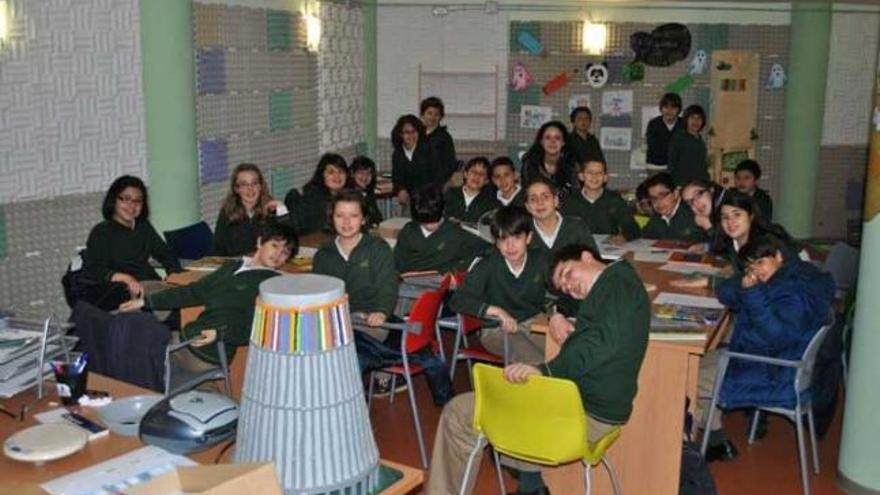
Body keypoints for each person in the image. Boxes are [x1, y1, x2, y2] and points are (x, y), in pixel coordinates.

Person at [428, 243, 650, 495]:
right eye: (565, 287)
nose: (571, 288)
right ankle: (530, 486)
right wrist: (558, 313)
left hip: (582, 415)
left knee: (459, 411)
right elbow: (579, 314)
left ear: (587, 256)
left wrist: (546, 371)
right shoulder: (616, 282)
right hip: (584, 406)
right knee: (517, 390)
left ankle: (525, 484)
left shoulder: (616, 285)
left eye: (568, 274)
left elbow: (596, 344)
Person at [698, 235, 834, 462]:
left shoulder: (791, 292)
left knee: (681, 375)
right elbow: (727, 293)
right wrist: (744, 283)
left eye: (761, 263)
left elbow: (777, 337)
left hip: (772, 372)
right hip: (767, 360)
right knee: (694, 363)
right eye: (749, 267)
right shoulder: (790, 277)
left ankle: (688, 452)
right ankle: (716, 440)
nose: (756, 272)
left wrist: (752, 294)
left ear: (778, 256)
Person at [313, 189, 452, 405]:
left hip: (372, 322)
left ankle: (350, 411)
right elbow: (320, 295)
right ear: (332, 218)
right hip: (339, 323)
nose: (347, 222)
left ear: (364, 219)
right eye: (340, 216)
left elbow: (388, 287)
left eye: (354, 215)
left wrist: (381, 311)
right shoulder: (323, 255)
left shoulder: (377, 248)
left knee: (352, 354)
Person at [119, 220, 298, 368]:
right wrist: (146, 302)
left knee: (133, 345)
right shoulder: (233, 266)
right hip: (190, 339)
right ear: (260, 242)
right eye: (274, 245)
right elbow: (194, 291)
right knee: (133, 332)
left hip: (208, 350)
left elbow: (260, 328)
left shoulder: (271, 284)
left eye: (285, 252)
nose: (278, 254)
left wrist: (220, 333)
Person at [448, 206, 550, 365]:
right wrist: (497, 311)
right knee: (536, 363)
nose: (510, 246)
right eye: (503, 239)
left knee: (563, 354)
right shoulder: (488, 265)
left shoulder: (539, 260)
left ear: (528, 238)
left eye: (516, 238)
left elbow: (559, 291)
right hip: (496, 329)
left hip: (532, 321)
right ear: (496, 242)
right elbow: (457, 300)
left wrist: (557, 315)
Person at [81, 175, 182, 311]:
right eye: (126, 199)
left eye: (138, 201)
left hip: (150, 286)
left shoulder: (143, 226)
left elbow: (165, 253)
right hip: (123, 293)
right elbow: (93, 270)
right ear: (114, 200)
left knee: (190, 300)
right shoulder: (102, 232)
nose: (132, 205)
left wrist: (175, 276)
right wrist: (125, 278)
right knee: (179, 313)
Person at [394, 185, 490, 274]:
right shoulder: (409, 230)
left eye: (434, 222)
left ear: (442, 211)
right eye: (424, 223)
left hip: (441, 285)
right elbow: (397, 262)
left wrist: (457, 270)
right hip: (409, 282)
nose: (429, 226)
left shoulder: (455, 232)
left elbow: (485, 249)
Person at [212, 163, 289, 257]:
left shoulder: (270, 210)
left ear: (260, 186)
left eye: (254, 183)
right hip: (238, 266)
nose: (250, 189)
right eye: (244, 184)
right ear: (236, 189)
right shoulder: (228, 213)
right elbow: (218, 252)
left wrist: (282, 211)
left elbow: (288, 241)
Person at [716, 191, 803, 273]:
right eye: (725, 217)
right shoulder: (727, 243)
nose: (730, 221)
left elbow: (792, 271)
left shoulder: (769, 241)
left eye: (737, 214)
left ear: (751, 216)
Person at [561, 158, 641, 242]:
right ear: (581, 176)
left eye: (599, 173)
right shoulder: (570, 201)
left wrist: (624, 237)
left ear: (605, 177)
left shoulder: (614, 200)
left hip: (608, 249)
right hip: (578, 247)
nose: (594, 176)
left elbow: (633, 227)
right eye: (590, 172)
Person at [524, 177, 599, 258]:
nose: (539, 202)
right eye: (533, 199)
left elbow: (594, 262)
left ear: (556, 201)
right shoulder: (523, 231)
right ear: (527, 206)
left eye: (545, 197)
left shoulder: (576, 227)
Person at [391, 114, 444, 206]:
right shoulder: (397, 154)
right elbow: (397, 178)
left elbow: (437, 178)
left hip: (430, 200)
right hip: (409, 201)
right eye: (407, 132)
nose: (411, 135)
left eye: (414, 131)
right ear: (400, 134)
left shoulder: (429, 150)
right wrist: (400, 190)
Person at [640, 172, 708, 243]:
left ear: (676, 193)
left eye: (662, 196)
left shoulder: (693, 212)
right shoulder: (657, 217)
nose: (658, 202)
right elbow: (643, 239)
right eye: (653, 198)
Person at [293, 153, 350, 235]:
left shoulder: (350, 195)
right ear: (322, 175)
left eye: (340, 172)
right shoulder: (313, 198)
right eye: (331, 172)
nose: (337, 176)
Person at [520, 121, 579, 197]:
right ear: (541, 142)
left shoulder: (572, 166)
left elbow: (575, 196)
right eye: (548, 137)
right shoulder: (530, 165)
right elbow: (527, 195)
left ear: (563, 142)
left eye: (557, 138)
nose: (552, 142)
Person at [443, 157, 500, 224]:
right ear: (465, 174)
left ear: (486, 181)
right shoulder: (450, 194)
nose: (477, 176)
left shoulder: (491, 203)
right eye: (473, 172)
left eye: (482, 174)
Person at [680, 178, 728, 252]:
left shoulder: (729, 206)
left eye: (698, 195)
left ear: (711, 190)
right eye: (690, 202)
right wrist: (706, 247)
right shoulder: (714, 207)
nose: (696, 203)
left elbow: (729, 248)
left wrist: (708, 226)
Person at [667, 104, 710, 186]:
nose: (696, 121)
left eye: (699, 118)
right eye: (692, 118)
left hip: (699, 184)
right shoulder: (678, 138)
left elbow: (702, 165)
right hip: (682, 184)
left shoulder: (700, 140)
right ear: (686, 120)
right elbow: (672, 164)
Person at [421, 96, 458, 182]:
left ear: (441, 117)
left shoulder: (445, 138)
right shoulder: (415, 134)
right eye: (429, 113)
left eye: (436, 114)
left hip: (435, 185)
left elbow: (450, 165)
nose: (432, 117)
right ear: (422, 115)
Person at [645, 92, 684, 169]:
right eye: (666, 107)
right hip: (656, 166)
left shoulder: (684, 124)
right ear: (661, 108)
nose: (669, 111)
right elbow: (654, 148)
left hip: (679, 167)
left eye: (673, 107)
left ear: (678, 109)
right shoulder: (653, 124)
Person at [350, 155, 384, 227]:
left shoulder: (369, 192)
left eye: (368, 173)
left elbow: (377, 216)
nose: (365, 177)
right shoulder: (349, 195)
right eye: (361, 173)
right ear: (353, 174)